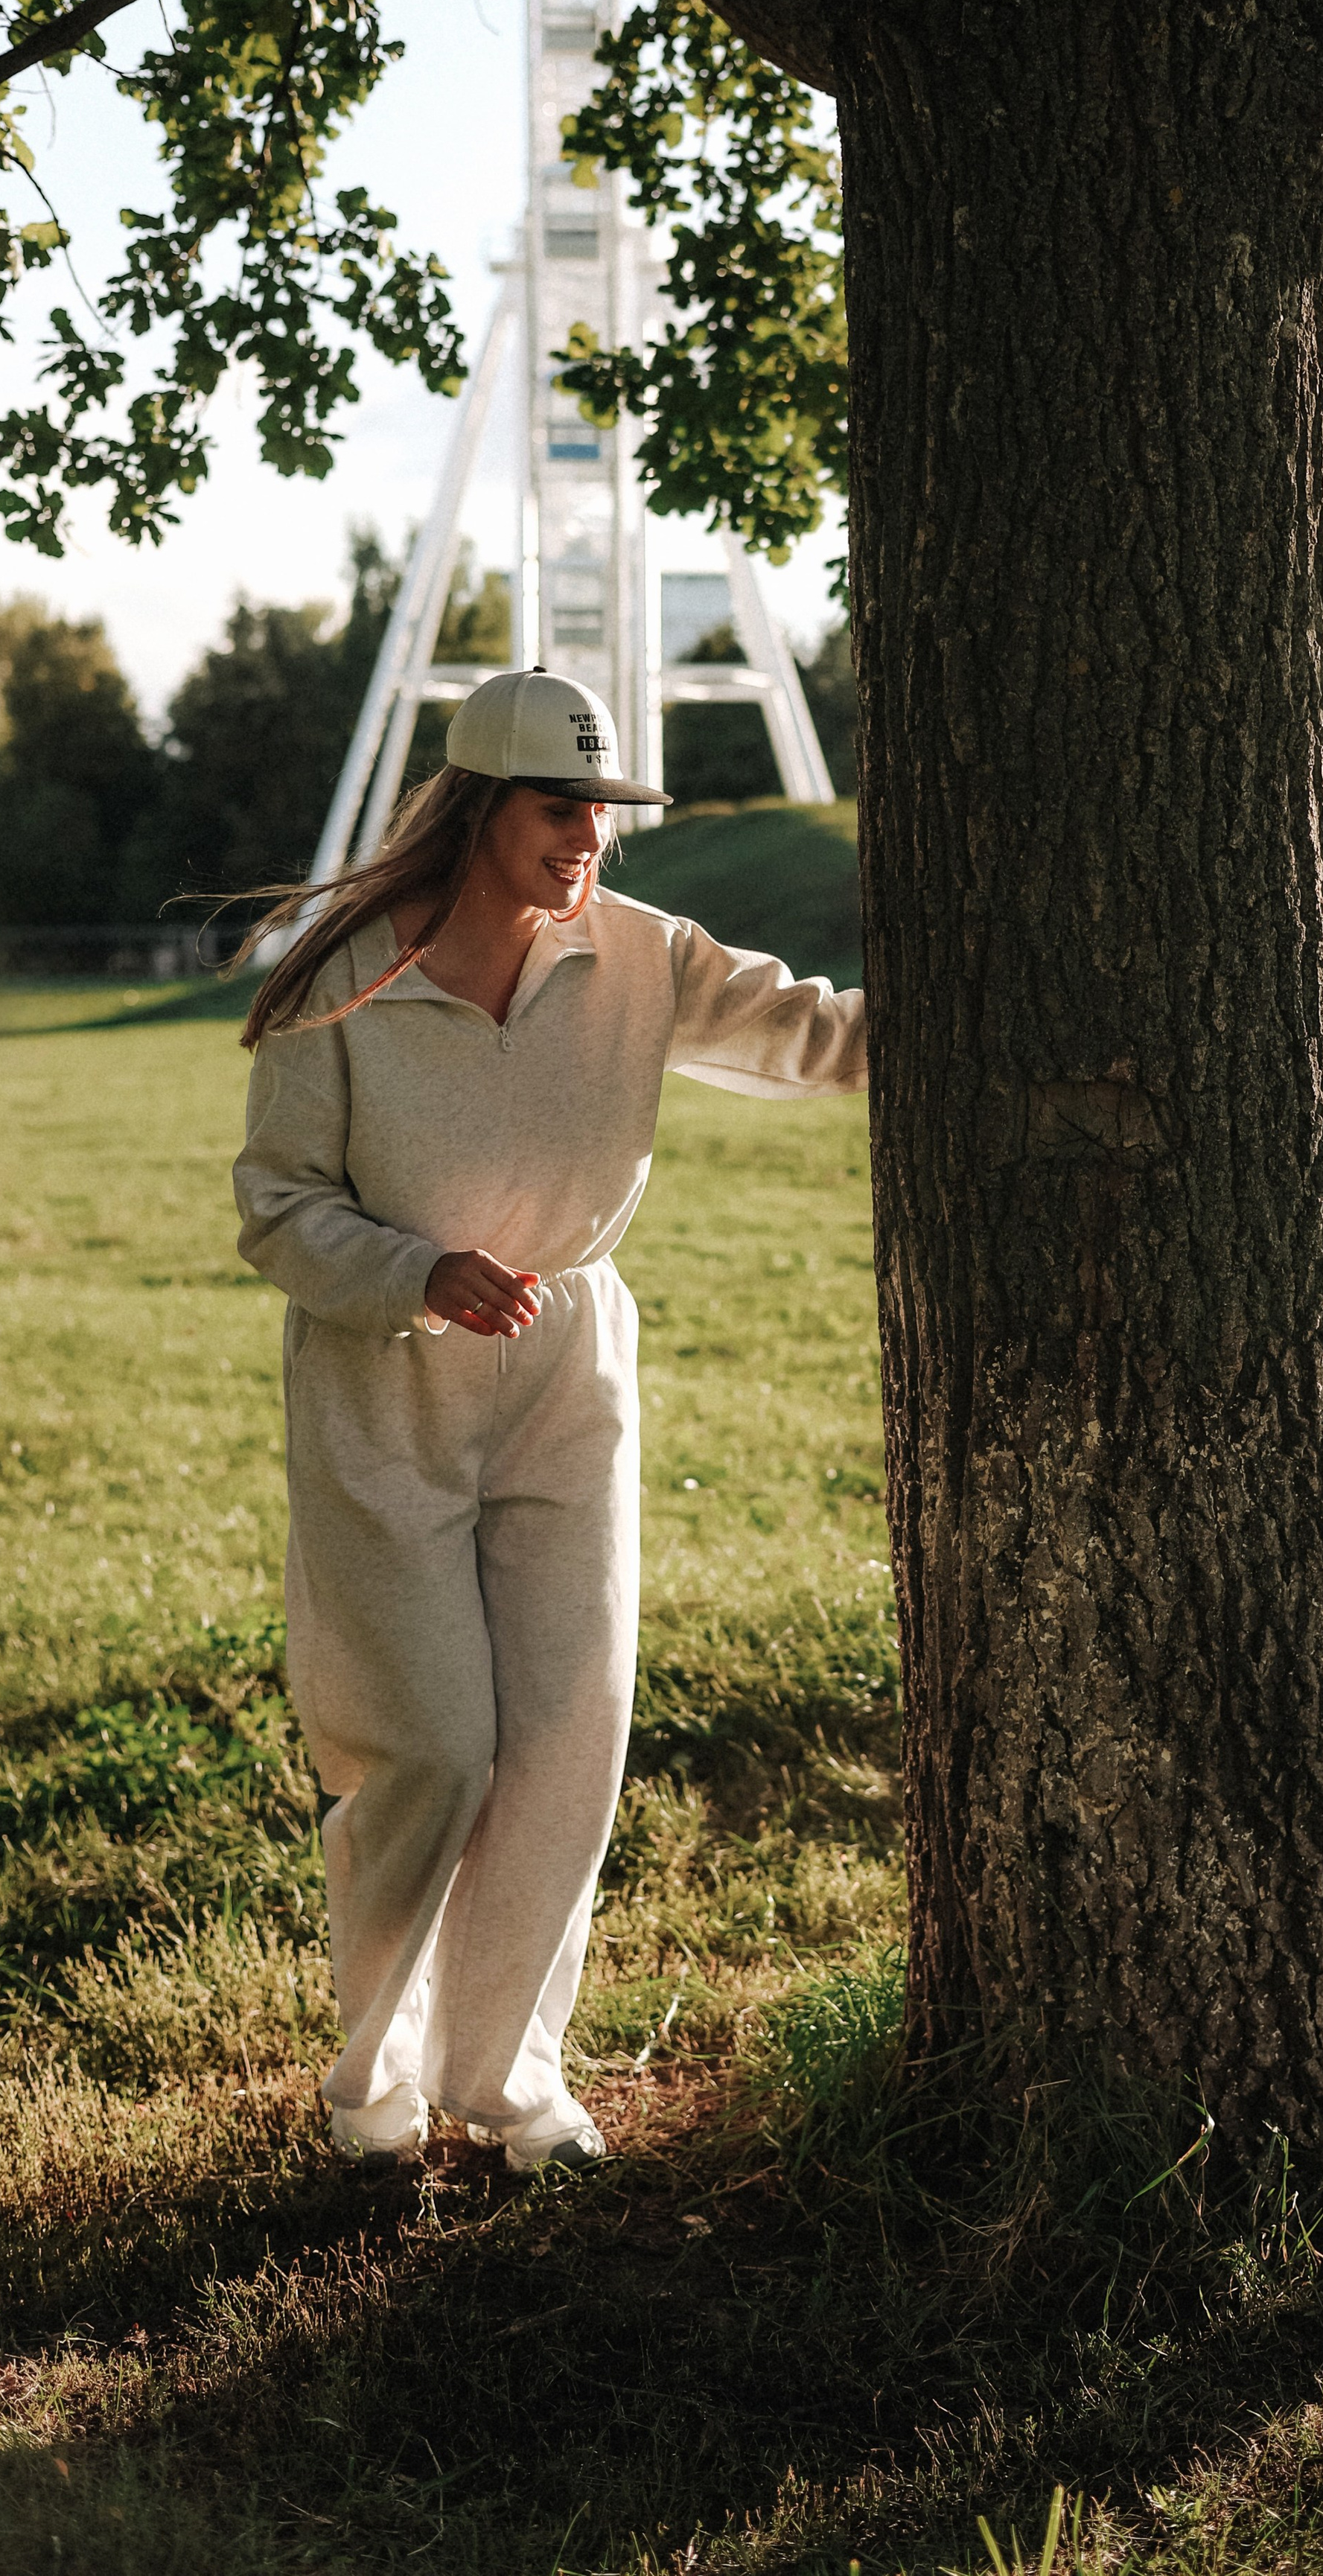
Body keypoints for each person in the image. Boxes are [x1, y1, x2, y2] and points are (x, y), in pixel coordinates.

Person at [231, 667, 866, 2173]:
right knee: (435, 1749)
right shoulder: (342, 982)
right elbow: (275, 1212)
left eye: (602, 807)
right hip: (385, 1379)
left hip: (569, 1372)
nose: (588, 833)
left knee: (569, 1737)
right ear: (476, 806)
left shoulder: (641, 957)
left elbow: (815, 1037)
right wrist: (416, 1272)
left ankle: (506, 2089)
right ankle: (370, 2091)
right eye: (557, 803)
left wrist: (1009, 1013)